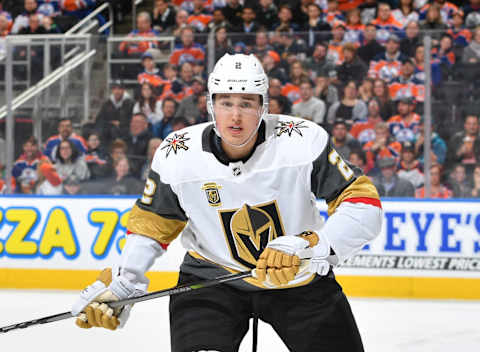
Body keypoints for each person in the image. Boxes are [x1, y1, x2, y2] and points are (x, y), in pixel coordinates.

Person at [72, 53, 382, 351]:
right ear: (210, 105)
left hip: (298, 279)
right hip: (210, 281)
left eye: (246, 104)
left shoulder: (302, 140)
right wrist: (126, 280)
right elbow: (153, 224)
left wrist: (312, 245)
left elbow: (363, 204)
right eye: (225, 102)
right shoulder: (177, 154)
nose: (235, 115)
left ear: (263, 107)